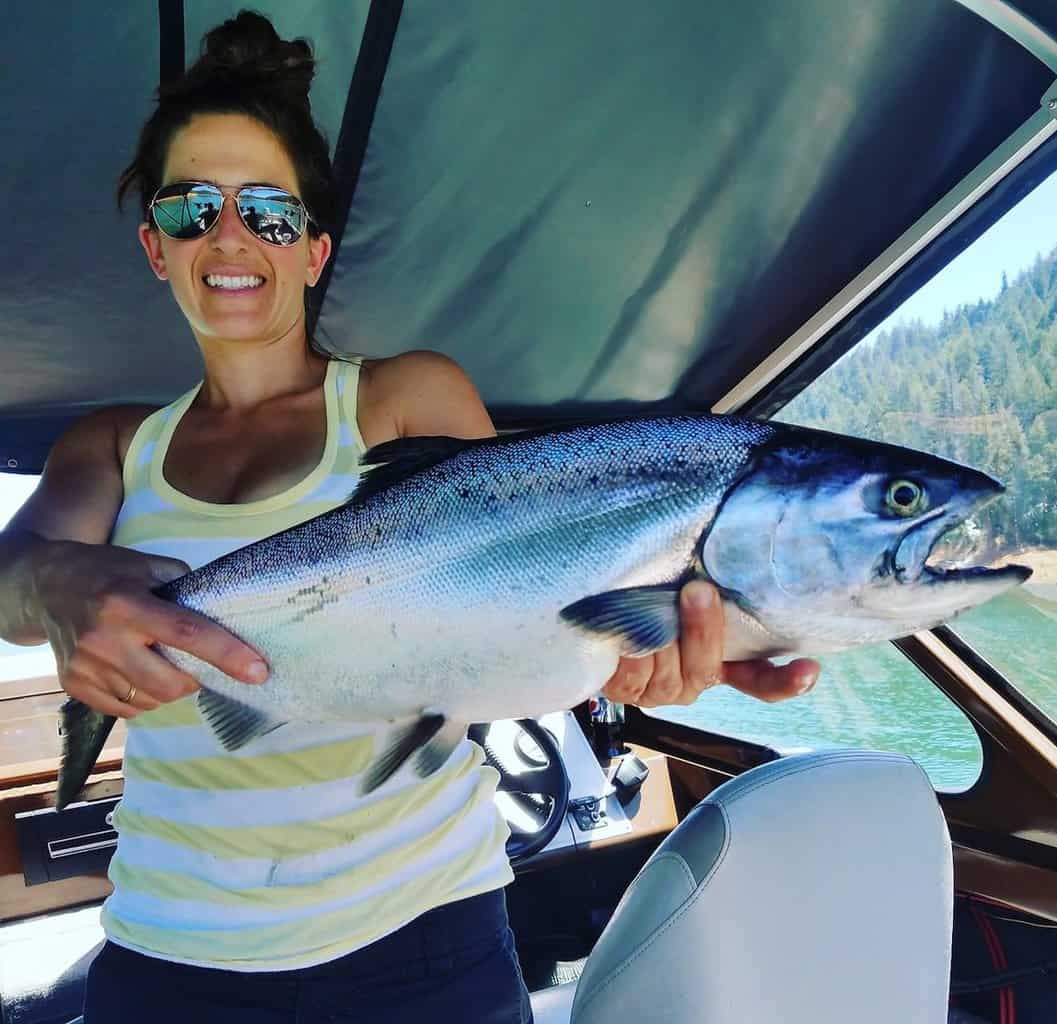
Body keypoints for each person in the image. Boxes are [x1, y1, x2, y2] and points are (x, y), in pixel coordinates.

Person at [0, 12, 819, 1022]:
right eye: (190, 209)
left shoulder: (407, 397)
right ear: (155, 247)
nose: (229, 235)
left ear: (313, 248)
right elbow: (13, 573)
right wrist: (62, 584)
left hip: (425, 940)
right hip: (173, 949)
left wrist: (639, 645)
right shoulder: (111, 444)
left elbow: (525, 600)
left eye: (269, 210)